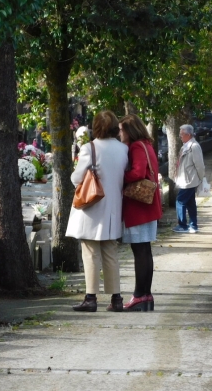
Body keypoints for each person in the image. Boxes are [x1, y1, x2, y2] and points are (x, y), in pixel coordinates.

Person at [66, 111, 128, 312]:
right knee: (110, 252)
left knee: (91, 252)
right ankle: (116, 297)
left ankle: (91, 297)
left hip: (92, 206)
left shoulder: (89, 148)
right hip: (113, 206)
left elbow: (77, 178)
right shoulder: (123, 149)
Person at [119, 114, 162, 312]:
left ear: (130, 131)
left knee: (140, 251)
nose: (119, 133)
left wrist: (120, 176)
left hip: (138, 206)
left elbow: (137, 173)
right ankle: (146, 295)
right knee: (144, 250)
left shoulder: (136, 147)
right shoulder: (147, 145)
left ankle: (139, 295)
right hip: (147, 205)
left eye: (121, 129)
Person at [173, 124, 205, 234]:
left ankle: (183, 225)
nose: (180, 136)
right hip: (186, 179)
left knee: (180, 201)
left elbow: (200, 165)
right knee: (190, 203)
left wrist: (201, 178)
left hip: (189, 180)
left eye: (182, 134)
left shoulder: (194, 146)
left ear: (188, 134)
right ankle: (193, 225)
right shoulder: (186, 145)